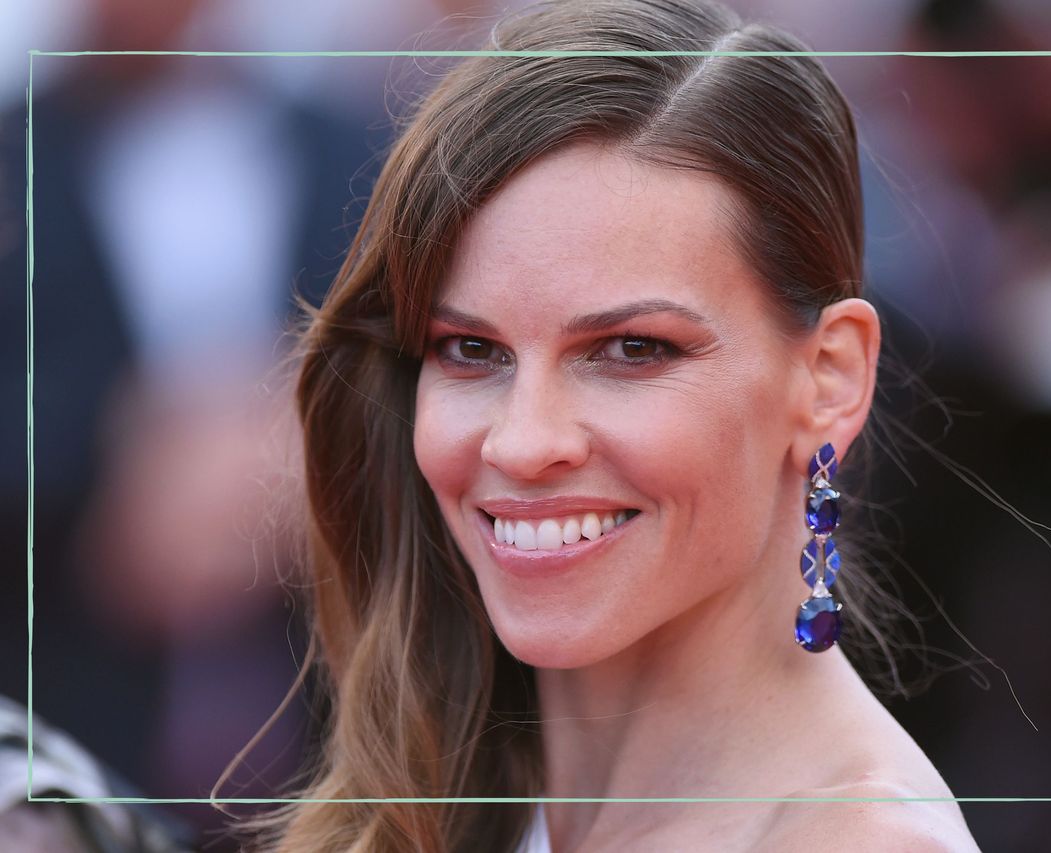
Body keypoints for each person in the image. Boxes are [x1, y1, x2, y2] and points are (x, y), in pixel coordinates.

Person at [231, 0, 981, 849]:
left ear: (830, 379)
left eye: (631, 349)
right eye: (470, 348)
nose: (521, 440)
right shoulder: (449, 802)